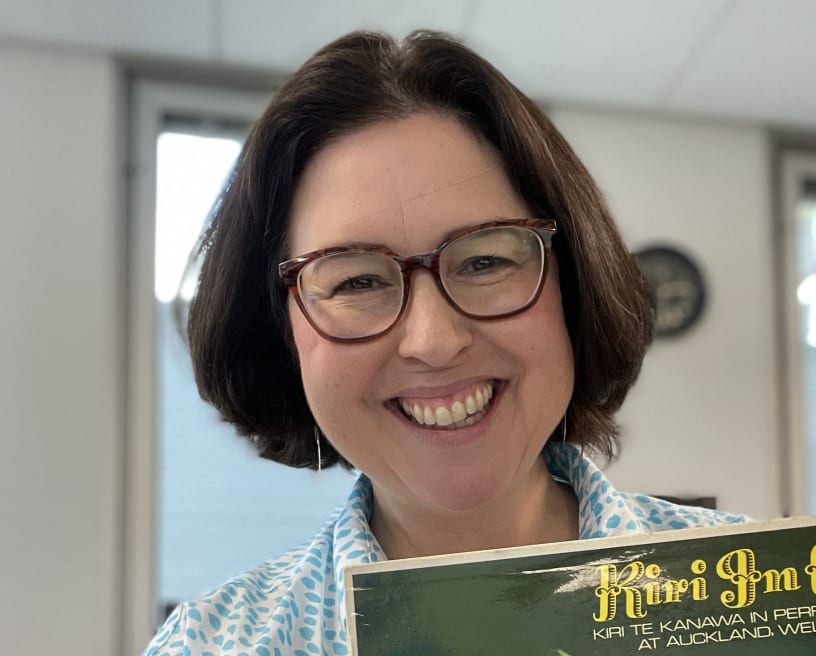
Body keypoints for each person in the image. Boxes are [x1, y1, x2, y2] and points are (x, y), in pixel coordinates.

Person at [145, 29, 746, 655]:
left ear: (573, 285)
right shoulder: (210, 645)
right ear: (281, 334)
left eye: (486, 261)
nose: (433, 341)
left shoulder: (770, 599)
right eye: (356, 280)